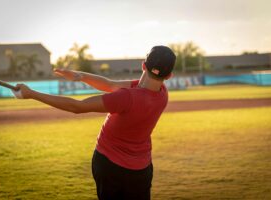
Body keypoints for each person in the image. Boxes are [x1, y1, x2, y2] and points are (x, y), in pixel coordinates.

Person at [12, 45, 176, 200]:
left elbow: (77, 106)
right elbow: (110, 85)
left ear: (143, 65)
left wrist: (32, 94)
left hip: (110, 165)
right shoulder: (163, 94)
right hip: (141, 170)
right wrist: (81, 76)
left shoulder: (127, 97)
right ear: (169, 76)